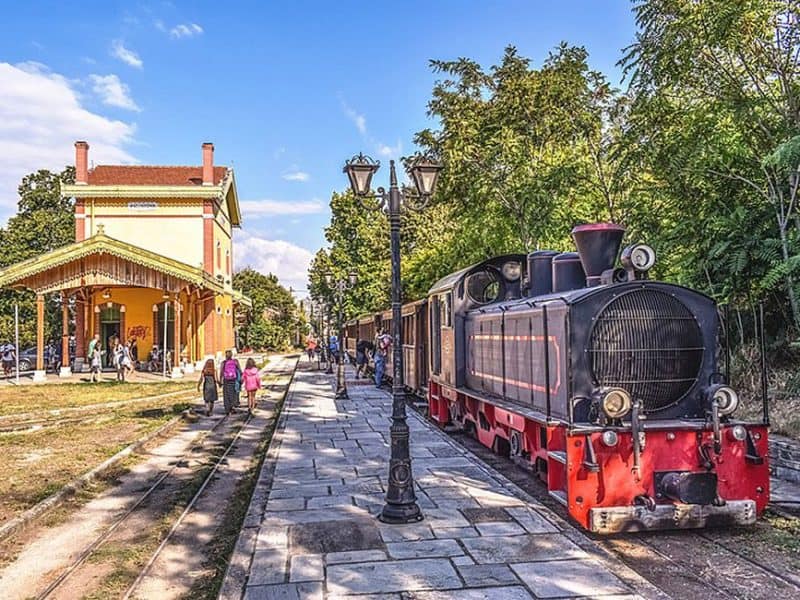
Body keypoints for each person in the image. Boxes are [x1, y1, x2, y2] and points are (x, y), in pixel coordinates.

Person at [218, 350, 242, 415]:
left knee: (226, 394)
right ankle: (232, 407)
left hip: (226, 380)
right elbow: (240, 370)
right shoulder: (235, 361)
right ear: (231, 355)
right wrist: (241, 378)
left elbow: (221, 372)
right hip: (233, 379)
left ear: (225, 356)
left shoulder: (224, 362)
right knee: (233, 393)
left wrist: (220, 381)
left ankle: (227, 409)